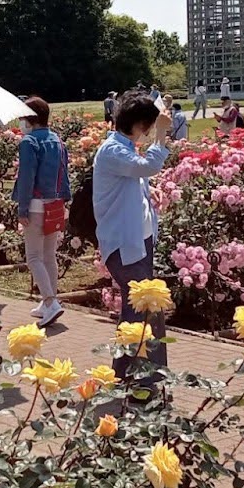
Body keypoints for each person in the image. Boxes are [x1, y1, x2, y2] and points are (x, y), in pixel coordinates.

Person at [93, 92, 173, 382]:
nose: (150, 132)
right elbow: (147, 167)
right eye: (149, 127)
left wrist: (146, 190)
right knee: (146, 311)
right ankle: (145, 378)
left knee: (137, 311)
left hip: (136, 241)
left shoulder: (121, 148)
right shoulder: (113, 150)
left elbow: (136, 177)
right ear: (139, 124)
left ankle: (127, 375)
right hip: (125, 243)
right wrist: (162, 135)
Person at [14, 97, 72, 327]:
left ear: (30, 118)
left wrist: (22, 208)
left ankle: (50, 302)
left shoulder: (29, 142)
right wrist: (64, 200)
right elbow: (65, 172)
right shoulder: (57, 140)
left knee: (34, 256)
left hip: (36, 205)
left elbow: (26, 177)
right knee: (49, 255)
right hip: (55, 203)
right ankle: (49, 300)